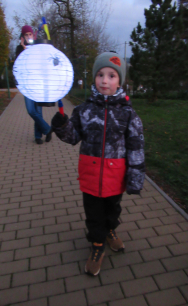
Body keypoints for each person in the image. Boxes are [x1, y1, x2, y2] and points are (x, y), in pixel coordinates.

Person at [51, 51, 145, 276]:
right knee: (93, 213)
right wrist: (62, 126)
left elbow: (136, 147)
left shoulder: (129, 114)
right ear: (94, 78)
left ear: (120, 81)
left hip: (116, 176)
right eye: (100, 75)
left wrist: (135, 178)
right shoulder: (83, 110)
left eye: (112, 76)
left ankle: (110, 229)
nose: (105, 80)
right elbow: (73, 137)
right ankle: (97, 244)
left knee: (112, 209)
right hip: (91, 175)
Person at [15, 25, 53, 145]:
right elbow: (18, 64)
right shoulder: (19, 49)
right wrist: (23, 48)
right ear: (22, 37)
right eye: (26, 35)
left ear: (33, 35)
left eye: (30, 34)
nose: (28, 37)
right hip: (27, 85)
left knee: (38, 111)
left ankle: (38, 136)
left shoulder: (37, 47)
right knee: (31, 110)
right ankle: (47, 129)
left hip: (38, 84)